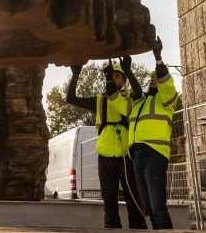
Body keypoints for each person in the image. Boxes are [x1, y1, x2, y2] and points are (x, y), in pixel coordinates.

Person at [66, 56, 148, 229]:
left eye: (118, 76)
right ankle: (111, 229)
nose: (114, 78)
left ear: (123, 82)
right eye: (113, 76)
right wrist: (75, 75)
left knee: (133, 197)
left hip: (125, 155)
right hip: (104, 155)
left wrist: (128, 71)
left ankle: (138, 227)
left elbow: (139, 92)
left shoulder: (129, 98)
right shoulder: (99, 99)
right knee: (109, 199)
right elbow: (71, 98)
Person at [128, 37, 179, 230]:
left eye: (156, 78)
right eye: (151, 77)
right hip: (137, 157)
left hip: (154, 155)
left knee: (158, 207)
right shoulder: (140, 103)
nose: (153, 79)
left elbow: (166, 83)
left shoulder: (167, 101)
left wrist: (158, 59)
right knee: (149, 208)